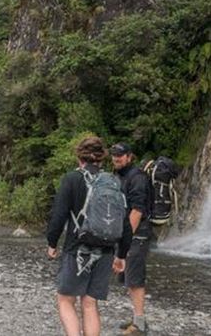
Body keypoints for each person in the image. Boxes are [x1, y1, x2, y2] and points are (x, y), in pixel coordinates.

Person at [47, 136, 132, 336]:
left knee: (65, 300)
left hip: (77, 248)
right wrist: (121, 254)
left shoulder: (72, 179)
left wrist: (52, 242)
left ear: (79, 157)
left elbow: (58, 215)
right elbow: (125, 222)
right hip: (106, 250)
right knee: (90, 303)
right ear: (102, 158)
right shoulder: (113, 181)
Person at [110, 143, 152, 335]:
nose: (116, 158)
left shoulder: (138, 178)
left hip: (138, 233)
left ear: (129, 156)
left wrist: (125, 239)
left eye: (120, 155)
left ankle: (139, 324)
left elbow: (137, 211)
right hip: (126, 232)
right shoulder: (120, 175)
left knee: (135, 278)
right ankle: (137, 317)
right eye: (114, 155)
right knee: (127, 276)